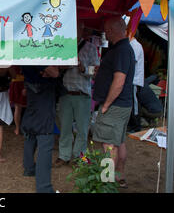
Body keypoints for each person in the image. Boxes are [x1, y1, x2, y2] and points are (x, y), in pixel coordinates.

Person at [92, 16, 135, 188]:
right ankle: (119, 177)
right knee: (118, 141)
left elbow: (119, 81)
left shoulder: (122, 49)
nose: (105, 34)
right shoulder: (123, 48)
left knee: (109, 146)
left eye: (106, 30)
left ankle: (106, 183)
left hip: (115, 105)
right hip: (122, 104)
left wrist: (107, 105)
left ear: (111, 30)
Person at [55, 22, 100, 167]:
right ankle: (64, 155)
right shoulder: (63, 45)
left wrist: (83, 68)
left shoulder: (91, 48)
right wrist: (64, 66)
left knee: (82, 128)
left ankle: (79, 157)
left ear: (82, 30)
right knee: (65, 127)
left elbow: (95, 71)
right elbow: (55, 67)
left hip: (82, 94)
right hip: (66, 92)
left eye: (77, 29)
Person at [21, 65, 59, 193]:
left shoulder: (25, 48)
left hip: (32, 89)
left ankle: (29, 168)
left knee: (31, 131)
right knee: (46, 139)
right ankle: (44, 188)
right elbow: (54, 72)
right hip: (43, 92)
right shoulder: (40, 48)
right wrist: (55, 70)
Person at [128, 36, 145, 132]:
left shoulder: (136, 46)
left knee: (134, 104)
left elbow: (132, 61)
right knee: (132, 103)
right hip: (132, 80)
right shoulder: (132, 45)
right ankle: (132, 125)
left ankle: (136, 126)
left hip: (135, 80)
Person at [9, 66, 27, 135]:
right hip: (19, 84)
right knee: (18, 107)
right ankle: (17, 128)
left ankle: (18, 128)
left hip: (21, 83)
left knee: (18, 108)